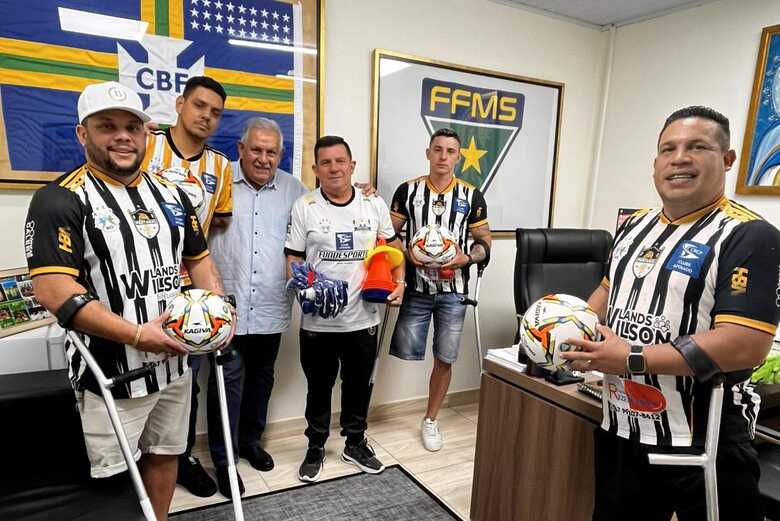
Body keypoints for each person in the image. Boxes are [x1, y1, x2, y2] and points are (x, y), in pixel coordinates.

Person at [561, 106, 780, 521]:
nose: (679, 158)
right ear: (655, 162)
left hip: (702, 438)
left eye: (697, 147)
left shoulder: (749, 235)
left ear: (727, 159)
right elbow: (607, 290)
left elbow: (745, 344)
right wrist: (568, 328)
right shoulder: (633, 226)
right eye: (668, 149)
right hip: (621, 425)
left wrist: (630, 357)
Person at [25, 81, 231, 521]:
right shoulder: (59, 199)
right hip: (112, 375)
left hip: (175, 366)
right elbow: (54, 291)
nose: (122, 136)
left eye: (132, 127)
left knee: (166, 453)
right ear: (83, 134)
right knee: (114, 483)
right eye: (107, 126)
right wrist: (139, 335)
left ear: (146, 133)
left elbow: (200, 261)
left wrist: (217, 317)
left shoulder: (173, 195)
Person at [284, 136, 405, 482]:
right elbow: (292, 257)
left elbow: (394, 247)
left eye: (340, 161)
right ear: (315, 169)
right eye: (325, 162)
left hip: (362, 317)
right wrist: (304, 286)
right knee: (318, 387)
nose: (334, 168)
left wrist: (400, 283)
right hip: (317, 322)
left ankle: (355, 443)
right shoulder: (305, 206)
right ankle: (315, 446)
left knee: (357, 385)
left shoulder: (373, 203)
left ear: (352, 166)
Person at [142, 76, 235, 497]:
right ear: (180, 104)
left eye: (216, 112)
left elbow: (218, 221)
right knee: (139, 374)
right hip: (141, 283)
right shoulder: (147, 144)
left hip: (189, 289)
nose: (207, 116)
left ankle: (178, 458)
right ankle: (135, 461)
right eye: (200, 106)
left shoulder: (221, 166)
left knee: (184, 378)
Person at [207, 117, 307, 486]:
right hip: (226, 306)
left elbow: (324, 216)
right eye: (256, 150)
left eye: (271, 152)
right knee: (226, 381)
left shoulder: (295, 190)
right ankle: (224, 460)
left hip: (269, 303)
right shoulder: (218, 181)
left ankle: (251, 442)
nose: (264, 159)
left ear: (280, 154)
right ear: (241, 149)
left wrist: (363, 194)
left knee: (262, 379)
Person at [388, 128, 492, 452]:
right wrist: (407, 255)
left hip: (453, 291)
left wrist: (466, 258)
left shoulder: (471, 195)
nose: (443, 156)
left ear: (458, 157)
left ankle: (430, 419)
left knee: (445, 358)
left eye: (450, 151)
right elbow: (388, 234)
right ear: (428, 153)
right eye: (437, 149)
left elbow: (484, 242)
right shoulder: (407, 191)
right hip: (416, 289)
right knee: (405, 352)